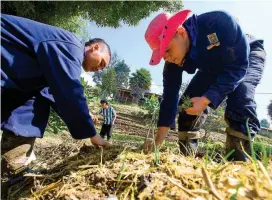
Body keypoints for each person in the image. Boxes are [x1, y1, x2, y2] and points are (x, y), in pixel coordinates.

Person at [143, 10, 266, 161]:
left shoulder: (217, 22)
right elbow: (169, 98)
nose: (166, 57)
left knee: (240, 97)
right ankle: (189, 159)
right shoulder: (172, 60)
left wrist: (207, 99)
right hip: (213, 66)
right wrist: (158, 142)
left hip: (246, 54)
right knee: (186, 105)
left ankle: (239, 162)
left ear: (181, 33)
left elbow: (238, 67)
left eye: (167, 49)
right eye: (162, 55)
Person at [1, 14, 111, 176]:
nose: (99, 69)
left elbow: (54, 92)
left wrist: (83, 113)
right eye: (101, 63)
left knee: (36, 102)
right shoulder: (71, 46)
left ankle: (12, 165)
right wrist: (93, 135)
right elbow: (69, 90)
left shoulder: (64, 54)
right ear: (95, 48)